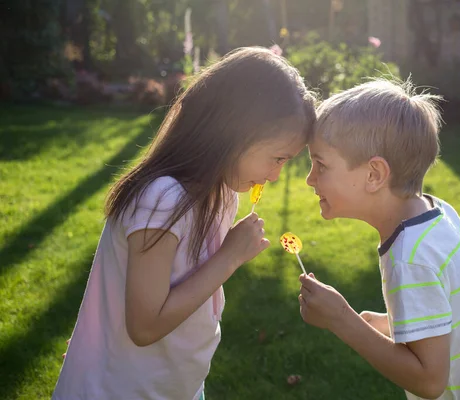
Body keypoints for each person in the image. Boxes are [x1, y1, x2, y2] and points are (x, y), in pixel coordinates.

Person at [53, 47, 316, 400]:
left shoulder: (222, 196)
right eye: (277, 158)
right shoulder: (161, 199)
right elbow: (144, 326)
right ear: (232, 132)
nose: (275, 175)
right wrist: (230, 257)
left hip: (174, 386)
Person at [298, 79, 460, 399]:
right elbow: (449, 311)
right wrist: (387, 323)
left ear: (374, 175)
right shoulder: (438, 214)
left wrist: (342, 320)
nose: (309, 179)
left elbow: (429, 380)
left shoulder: (410, 258)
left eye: (321, 165)